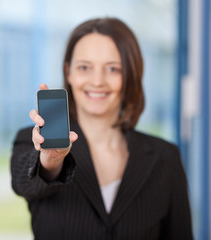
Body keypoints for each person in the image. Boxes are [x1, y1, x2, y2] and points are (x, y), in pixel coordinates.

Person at [11, 17, 193, 240]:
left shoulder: (166, 158)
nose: (97, 81)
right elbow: (24, 184)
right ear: (68, 71)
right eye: (84, 67)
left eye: (113, 69)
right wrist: (51, 162)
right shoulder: (31, 141)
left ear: (130, 75)